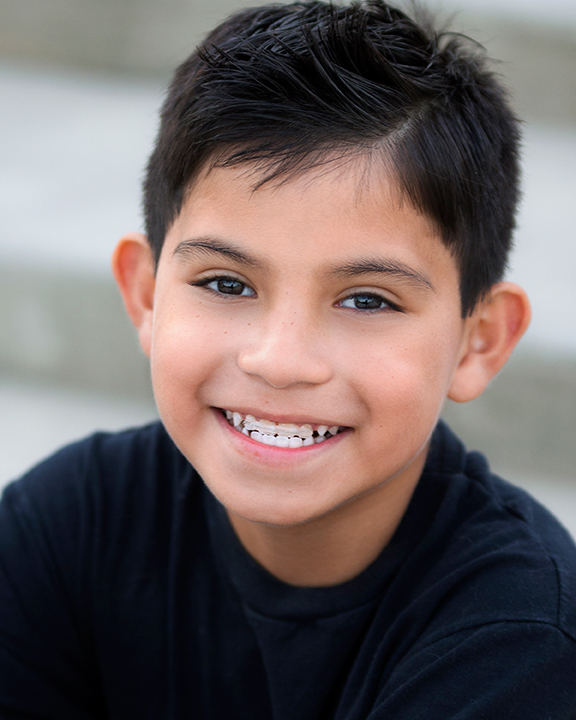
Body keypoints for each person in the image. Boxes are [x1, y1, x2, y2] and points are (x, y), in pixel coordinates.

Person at [1, 1, 575, 717]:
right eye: (226, 284)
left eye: (367, 300)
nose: (280, 361)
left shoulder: (518, 642)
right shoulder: (69, 526)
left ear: (478, 340)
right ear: (147, 296)